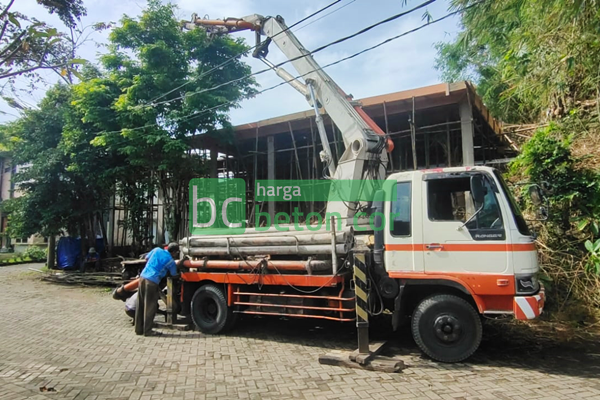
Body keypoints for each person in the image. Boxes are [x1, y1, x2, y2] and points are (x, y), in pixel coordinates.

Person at [135, 242, 180, 336]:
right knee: (150, 306)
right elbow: (174, 274)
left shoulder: (157, 250)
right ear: (175, 252)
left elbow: (146, 258)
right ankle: (147, 331)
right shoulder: (170, 261)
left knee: (141, 304)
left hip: (142, 277)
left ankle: (138, 329)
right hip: (152, 282)